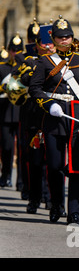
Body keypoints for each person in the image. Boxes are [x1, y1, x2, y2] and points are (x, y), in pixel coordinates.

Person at [28, 16, 79, 226]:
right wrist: (48, 104)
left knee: (76, 167)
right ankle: (56, 205)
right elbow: (34, 89)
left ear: (72, 38)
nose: (64, 40)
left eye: (68, 36)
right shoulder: (44, 62)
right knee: (54, 166)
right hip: (54, 116)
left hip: (78, 117)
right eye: (60, 37)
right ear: (53, 39)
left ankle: (75, 213)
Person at [13, 21, 54, 213]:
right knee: (35, 159)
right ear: (36, 44)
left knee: (54, 158)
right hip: (33, 114)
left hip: (53, 114)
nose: (47, 46)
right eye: (43, 43)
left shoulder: (62, 60)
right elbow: (22, 80)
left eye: (49, 42)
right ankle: (35, 197)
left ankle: (53, 199)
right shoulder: (27, 60)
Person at [0, 33, 22, 189]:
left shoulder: (24, 67)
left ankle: (21, 181)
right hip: (5, 113)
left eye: (18, 50)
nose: (15, 53)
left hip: (21, 113)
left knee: (22, 149)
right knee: (7, 147)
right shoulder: (2, 67)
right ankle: (6, 175)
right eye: (13, 50)